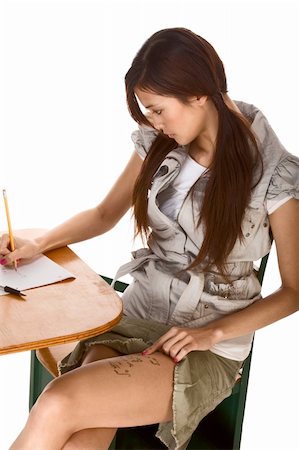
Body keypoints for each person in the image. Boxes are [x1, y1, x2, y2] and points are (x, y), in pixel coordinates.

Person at [1, 27, 298, 450]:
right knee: (83, 432)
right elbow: (105, 214)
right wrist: (39, 243)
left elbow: (293, 290)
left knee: (58, 401)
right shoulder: (161, 142)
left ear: (199, 93)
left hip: (202, 345)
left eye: (158, 109)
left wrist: (209, 335)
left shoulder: (275, 172)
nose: (152, 122)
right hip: (136, 314)